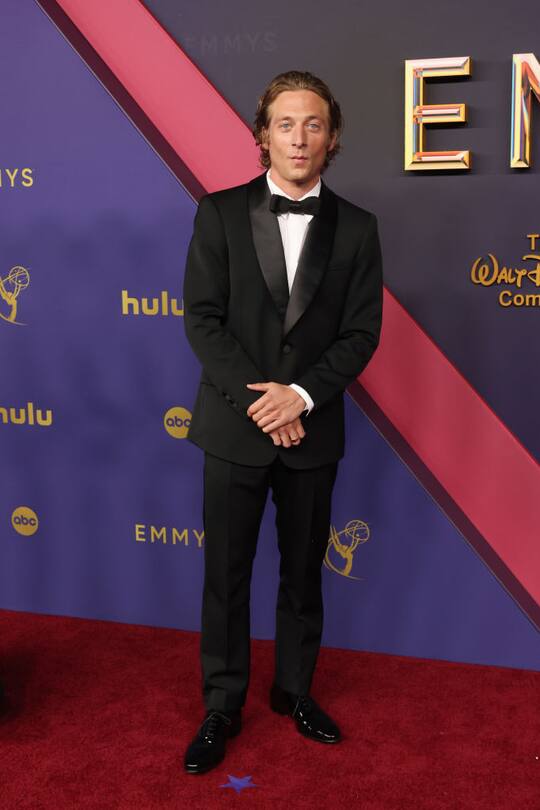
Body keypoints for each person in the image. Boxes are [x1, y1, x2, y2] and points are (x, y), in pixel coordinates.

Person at [182, 70, 383, 774]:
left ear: (334, 140)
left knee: (304, 576)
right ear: (262, 134)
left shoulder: (359, 228)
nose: (301, 138)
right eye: (287, 124)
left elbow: (361, 335)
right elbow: (203, 322)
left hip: (313, 430)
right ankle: (221, 703)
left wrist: (300, 395)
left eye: (315, 125)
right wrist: (267, 403)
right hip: (235, 429)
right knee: (226, 575)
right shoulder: (219, 213)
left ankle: (294, 691)